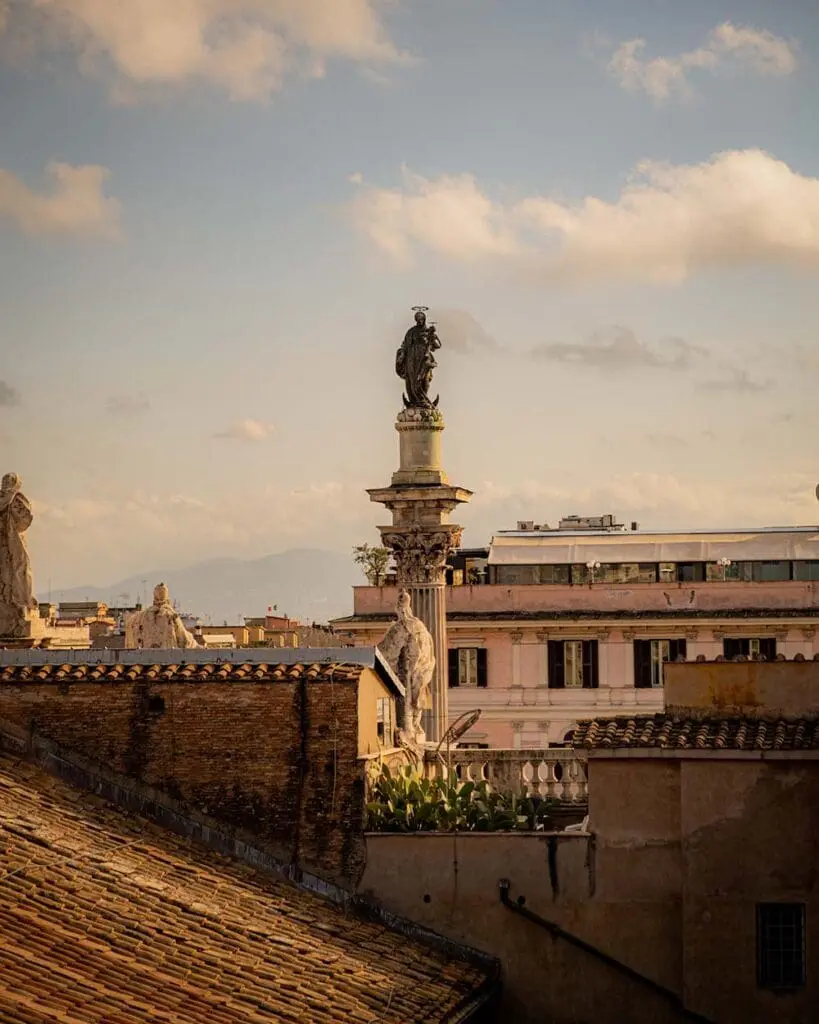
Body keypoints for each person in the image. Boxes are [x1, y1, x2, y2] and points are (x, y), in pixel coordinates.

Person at [0, 473, 37, 635]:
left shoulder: (11, 499)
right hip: (12, 544)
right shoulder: (16, 499)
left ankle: (16, 601)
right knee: (19, 571)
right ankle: (19, 602)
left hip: (8, 544)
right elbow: (25, 521)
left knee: (11, 574)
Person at [395, 309, 441, 408]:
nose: (419, 320)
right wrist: (402, 354)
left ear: (424, 319)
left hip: (424, 360)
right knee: (412, 381)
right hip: (412, 359)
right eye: (417, 318)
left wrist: (432, 336)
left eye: (421, 318)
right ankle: (414, 401)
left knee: (424, 380)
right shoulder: (411, 331)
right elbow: (404, 345)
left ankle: (423, 400)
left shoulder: (428, 332)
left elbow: (437, 346)